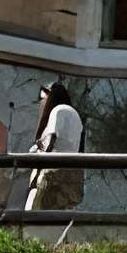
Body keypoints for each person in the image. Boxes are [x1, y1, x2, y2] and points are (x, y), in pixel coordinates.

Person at [24, 83, 85, 218]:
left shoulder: (58, 110)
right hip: (72, 172)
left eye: (42, 99)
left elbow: (51, 138)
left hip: (52, 172)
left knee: (37, 212)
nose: (41, 103)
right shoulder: (74, 114)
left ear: (50, 96)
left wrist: (41, 151)